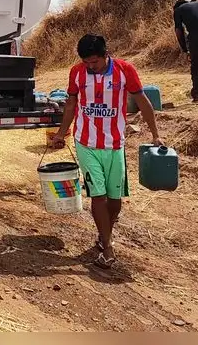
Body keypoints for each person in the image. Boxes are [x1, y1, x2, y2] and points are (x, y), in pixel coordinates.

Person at [50, 33, 162, 269]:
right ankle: (108, 248)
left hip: (115, 143)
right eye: (86, 62)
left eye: (95, 62)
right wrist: (61, 133)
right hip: (86, 142)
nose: (91, 67)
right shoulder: (77, 72)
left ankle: (104, 234)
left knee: (114, 198)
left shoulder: (125, 70)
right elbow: (71, 104)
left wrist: (155, 134)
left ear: (106, 55)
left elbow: (142, 102)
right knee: (98, 195)